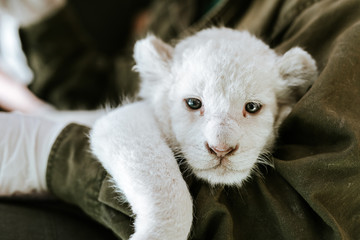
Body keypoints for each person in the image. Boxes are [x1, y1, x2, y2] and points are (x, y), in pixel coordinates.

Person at [1, 0, 360, 239]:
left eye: (252, 108)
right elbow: (112, 97)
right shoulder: (176, 5)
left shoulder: (339, 14)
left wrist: (49, 154)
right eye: (193, 103)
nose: (221, 143)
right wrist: (43, 16)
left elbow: (312, 216)